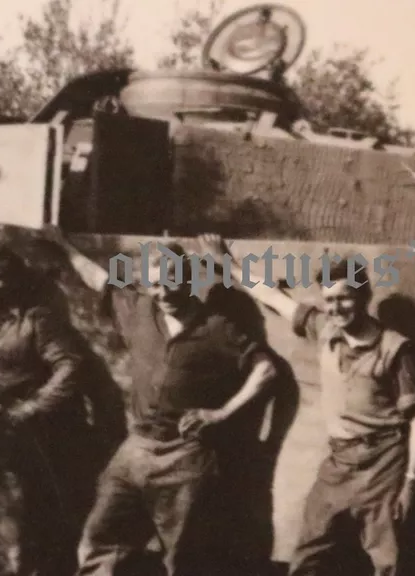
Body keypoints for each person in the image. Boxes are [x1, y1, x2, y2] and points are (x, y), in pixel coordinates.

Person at [44, 230, 279, 576]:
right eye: (155, 284)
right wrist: (62, 244)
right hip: (137, 448)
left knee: (183, 558)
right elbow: (98, 278)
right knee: (99, 538)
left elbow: (266, 369)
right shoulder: (138, 308)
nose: (164, 292)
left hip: (186, 455)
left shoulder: (218, 327)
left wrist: (221, 413)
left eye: (173, 281)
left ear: (188, 278)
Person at [199, 235, 415, 576]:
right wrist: (226, 263)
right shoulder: (325, 328)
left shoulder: (396, 350)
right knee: (310, 550)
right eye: (330, 300)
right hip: (338, 462)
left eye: (344, 299)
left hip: (382, 463)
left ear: (363, 296)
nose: (336, 308)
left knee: (387, 560)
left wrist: (411, 481)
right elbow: (272, 297)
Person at [0, 246, 101, 576]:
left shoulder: (37, 320)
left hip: (24, 440)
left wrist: (32, 408)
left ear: (13, 282)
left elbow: (71, 365)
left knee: (19, 530)